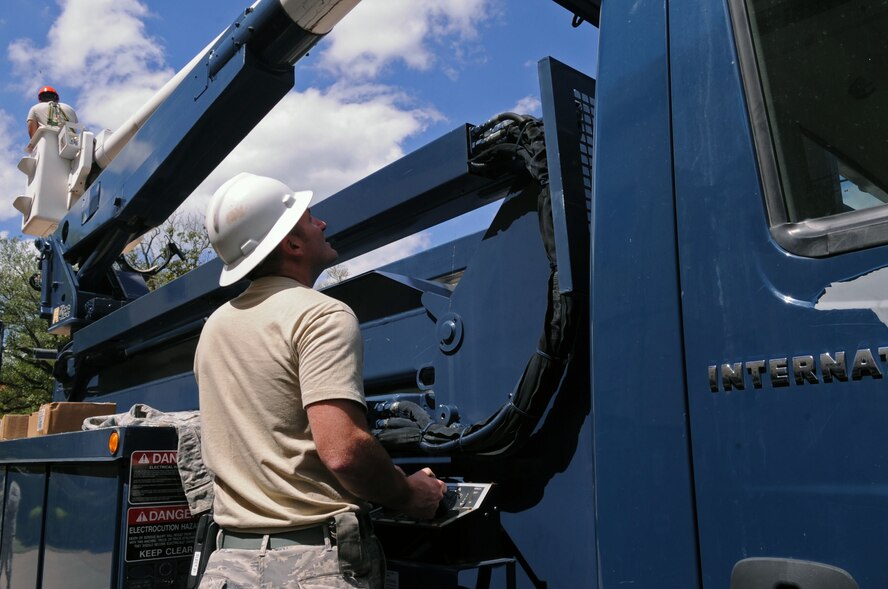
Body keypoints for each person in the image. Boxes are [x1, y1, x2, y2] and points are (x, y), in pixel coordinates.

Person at [195, 173, 446, 588]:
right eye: (310, 218)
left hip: (226, 565)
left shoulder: (214, 327)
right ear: (292, 245)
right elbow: (343, 450)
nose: (322, 224)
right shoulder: (321, 314)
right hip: (309, 566)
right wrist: (407, 494)